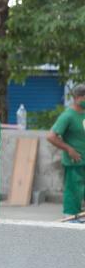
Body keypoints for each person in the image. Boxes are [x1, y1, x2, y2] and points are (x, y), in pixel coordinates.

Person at [47, 84, 85, 216]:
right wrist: (69, 149)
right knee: (73, 194)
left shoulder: (83, 114)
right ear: (77, 98)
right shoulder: (68, 116)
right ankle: (71, 219)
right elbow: (51, 136)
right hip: (75, 162)